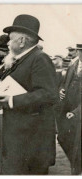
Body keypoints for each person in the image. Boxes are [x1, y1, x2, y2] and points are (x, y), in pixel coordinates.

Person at [0, 14, 58, 174]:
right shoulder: (19, 60)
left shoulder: (39, 59)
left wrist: (12, 100)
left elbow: (48, 94)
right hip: (14, 137)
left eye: (10, 39)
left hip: (29, 141)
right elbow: (3, 90)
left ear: (22, 41)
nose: (8, 44)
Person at [57, 44, 81, 175]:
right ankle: (76, 166)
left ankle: (77, 170)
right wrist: (60, 90)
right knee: (62, 137)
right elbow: (64, 83)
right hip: (68, 111)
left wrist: (76, 112)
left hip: (78, 113)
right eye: (80, 51)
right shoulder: (73, 65)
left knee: (78, 145)